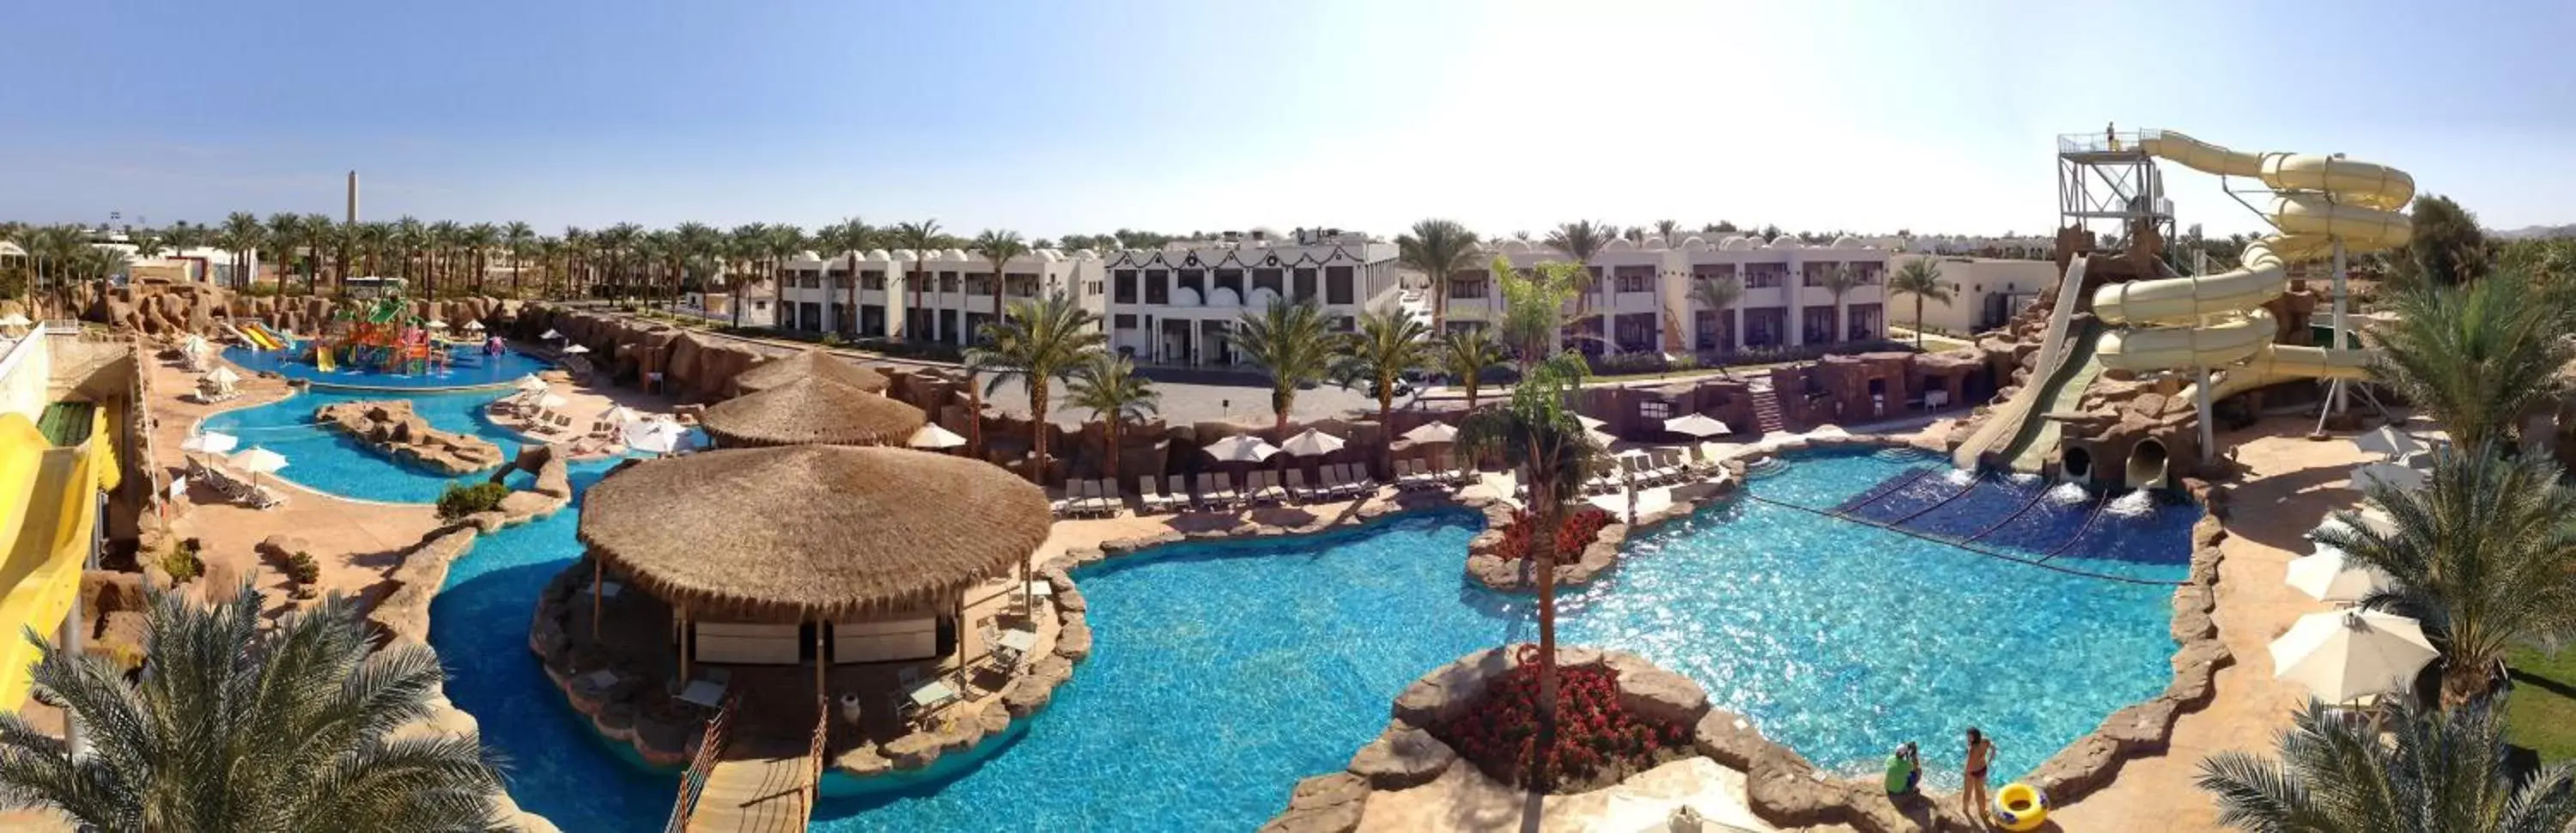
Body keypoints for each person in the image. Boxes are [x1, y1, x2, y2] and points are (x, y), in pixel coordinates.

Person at [1961, 727, 1996, 818]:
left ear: (1974, 737)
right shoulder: (1985, 741)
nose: (1968, 739)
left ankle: (1965, 809)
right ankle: (1982, 813)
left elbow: (1969, 765)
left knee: (1968, 792)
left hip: (1971, 772)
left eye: (1970, 737)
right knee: (1980, 792)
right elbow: (1993, 747)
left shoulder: (1973, 749)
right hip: (1983, 769)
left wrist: (1965, 772)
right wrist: (1990, 760)